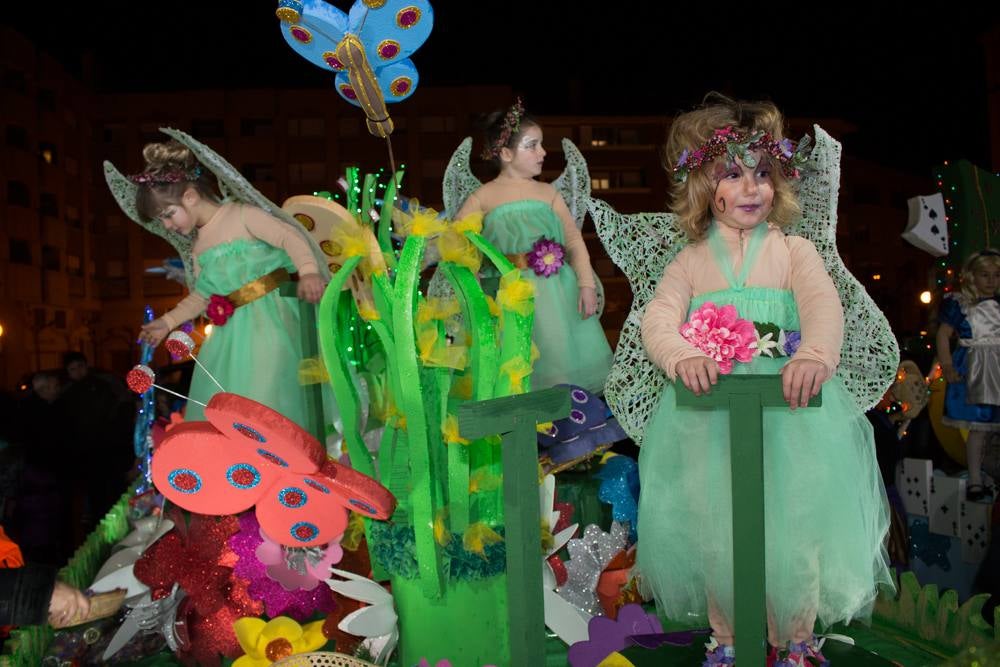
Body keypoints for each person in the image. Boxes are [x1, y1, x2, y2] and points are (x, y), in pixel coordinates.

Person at [636, 96, 892, 664]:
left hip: (790, 411)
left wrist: (816, 355)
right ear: (704, 187)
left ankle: (795, 638)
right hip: (710, 417)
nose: (752, 187)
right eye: (733, 173)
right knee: (715, 526)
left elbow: (824, 305)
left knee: (796, 524)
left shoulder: (794, 251)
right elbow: (658, 319)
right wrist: (680, 354)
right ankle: (728, 639)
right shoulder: (689, 262)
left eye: (762, 173)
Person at [127, 140, 329, 426]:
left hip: (271, 321)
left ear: (191, 197)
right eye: (162, 222)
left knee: (268, 395)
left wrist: (308, 271)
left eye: (168, 215)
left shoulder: (243, 215)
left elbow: (289, 236)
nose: (169, 226)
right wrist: (166, 322)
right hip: (230, 338)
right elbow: (202, 297)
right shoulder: (199, 248)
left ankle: (279, 458)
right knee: (230, 401)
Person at [455, 100, 613, 393]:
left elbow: (573, 239)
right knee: (518, 365)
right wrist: (474, 286)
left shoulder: (548, 192)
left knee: (560, 361)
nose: (542, 152)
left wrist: (586, 283)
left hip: (558, 295)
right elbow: (460, 244)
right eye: (532, 145)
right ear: (505, 153)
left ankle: (568, 430)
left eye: (541, 145)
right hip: (509, 297)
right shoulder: (483, 197)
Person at [936, 248, 1000, 502]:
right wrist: (948, 365)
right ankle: (975, 478)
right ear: (972, 277)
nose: (991, 281)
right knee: (979, 427)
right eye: (985, 275)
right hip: (976, 370)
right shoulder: (960, 304)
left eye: (996, 275)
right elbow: (943, 335)